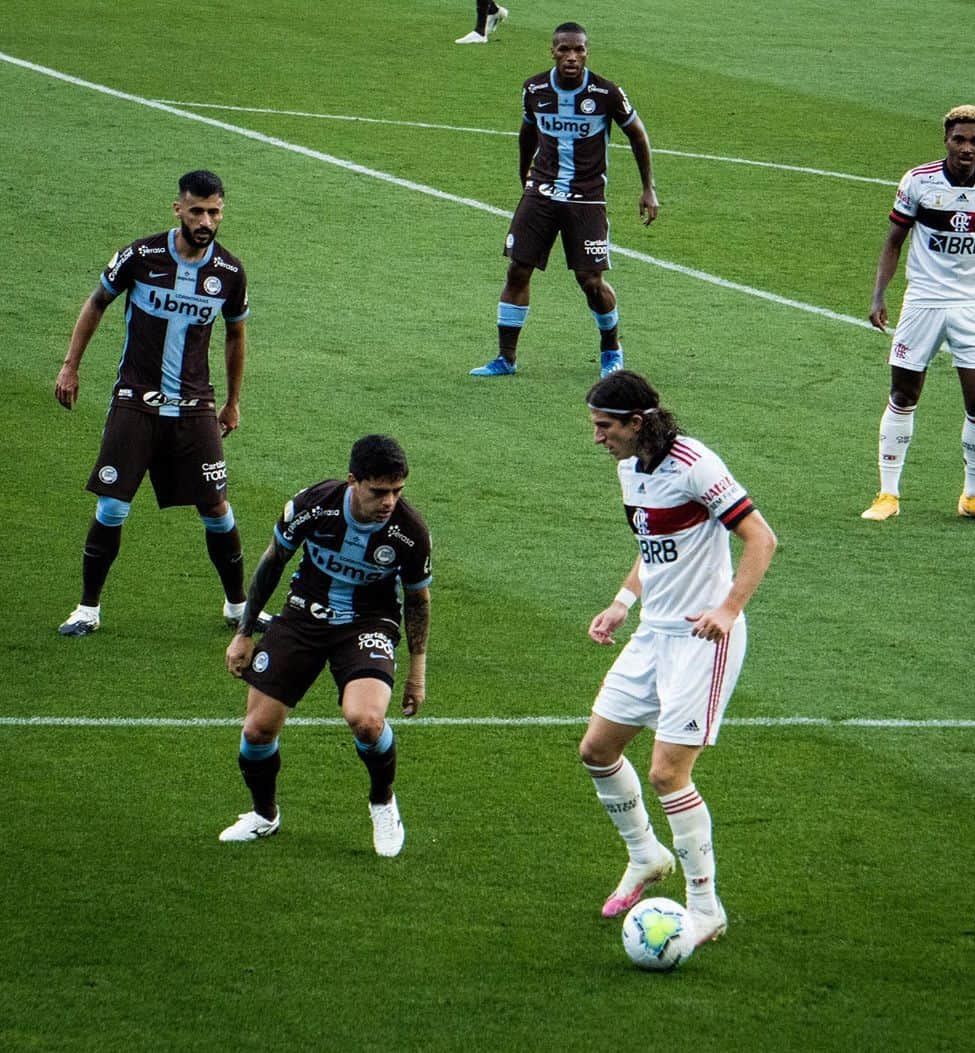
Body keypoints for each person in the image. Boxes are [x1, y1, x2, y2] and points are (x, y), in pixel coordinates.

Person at [579, 371, 777, 947]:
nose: (597, 438)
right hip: (651, 634)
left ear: (635, 422)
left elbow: (761, 538)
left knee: (668, 772)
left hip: (702, 640)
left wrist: (729, 609)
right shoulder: (629, 470)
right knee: (597, 750)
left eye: (604, 426)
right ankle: (646, 855)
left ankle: (705, 906)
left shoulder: (695, 464)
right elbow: (652, 550)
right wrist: (621, 603)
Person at [54, 169, 267, 636]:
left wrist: (232, 402)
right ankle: (88, 608)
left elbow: (235, 334)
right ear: (178, 209)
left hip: (195, 407)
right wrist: (71, 365)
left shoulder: (229, 272)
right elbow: (96, 303)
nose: (206, 220)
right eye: (197, 211)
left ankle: (238, 606)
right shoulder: (141, 255)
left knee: (216, 508)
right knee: (113, 505)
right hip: (136, 402)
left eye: (214, 212)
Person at [219, 435, 431, 858]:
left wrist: (416, 671)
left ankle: (382, 801)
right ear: (353, 481)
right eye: (379, 491)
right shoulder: (314, 505)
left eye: (397, 491)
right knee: (257, 730)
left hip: (368, 622)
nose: (390, 501)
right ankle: (264, 814)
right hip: (303, 615)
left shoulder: (409, 532)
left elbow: (417, 601)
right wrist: (244, 631)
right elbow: (273, 560)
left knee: (367, 721)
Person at [862, 105, 975, 525]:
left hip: (973, 306)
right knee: (903, 395)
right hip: (923, 301)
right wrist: (879, 295)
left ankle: (973, 497)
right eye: (960, 139)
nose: (967, 148)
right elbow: (894, 240)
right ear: (946, 140)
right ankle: (888, 493)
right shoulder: (918, 182)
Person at [470, 22, 659, 379]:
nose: (571, 57)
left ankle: (611, 351)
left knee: (590, 280)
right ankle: (505, 359)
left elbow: (638, 135)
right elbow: (527, 131)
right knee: (517, 269)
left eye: (578, 50)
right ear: (552, 51)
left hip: (586, 199)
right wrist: (524, 173)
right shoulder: (535, 88)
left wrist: (648, 187)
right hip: (541, 192)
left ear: (587, 52)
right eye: (564, 50)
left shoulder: (606, 93)